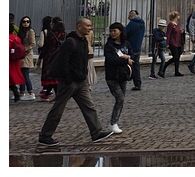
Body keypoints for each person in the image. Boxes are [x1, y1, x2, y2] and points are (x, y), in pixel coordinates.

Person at [37, 18, 114, 146]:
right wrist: (68, 79)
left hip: (81, 81)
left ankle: (96, 132)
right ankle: (45, 136)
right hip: (69, 82)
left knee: (89, 107)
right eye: (88, 25)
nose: (91, 28)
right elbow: (63, 62)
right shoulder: (70, 42)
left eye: (91, 25)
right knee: (58, 110)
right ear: (79, 26)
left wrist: (83, 76)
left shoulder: (83, 41)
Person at [103, 22, 134, 135]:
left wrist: (128, 58)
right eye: (111, 31)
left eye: (115, 31)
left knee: (121, 100)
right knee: (120, 98)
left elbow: (132, 56)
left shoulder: (126, 44)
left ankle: (115, 121)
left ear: (120, 31)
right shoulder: (109, 46)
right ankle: (113, 122)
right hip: (112, 76)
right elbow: (111, 60)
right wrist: (124, 59)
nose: (112, 33)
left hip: (123, 75)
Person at [39, 17, 65, 100]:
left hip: (50, 57)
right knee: (55, 77)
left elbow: (45, 47)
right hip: (61, 57)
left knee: (51, 77)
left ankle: (56, 95)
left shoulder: (51, 34)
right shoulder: (65, 34)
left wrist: (40, 58)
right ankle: (47, 93)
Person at [124, 10, 145, 90]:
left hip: (131, 47)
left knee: (126, 64)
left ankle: (123, 80)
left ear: (130, 16)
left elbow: (125, 34)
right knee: (136, 66)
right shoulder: (142, 23)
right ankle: (138, 83)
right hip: (138, 47)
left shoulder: (131, 24)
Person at [17, 16, 37, 100]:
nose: (26, 23)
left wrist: (25, 49)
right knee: (21, 74)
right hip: (20, 55)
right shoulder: (20, 31)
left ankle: (31, 92)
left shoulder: (31, 31)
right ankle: (22, 92)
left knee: (25, 74)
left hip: (27, 55)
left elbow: (33, 43)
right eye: (24, 21)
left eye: (28, 21)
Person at [164, 11, 184, 77]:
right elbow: (168, 33)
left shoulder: (176, 24)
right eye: (178, 16)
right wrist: (167, 43)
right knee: (175, 57)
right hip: (173, 42)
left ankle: (176, 71)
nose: (179, 17)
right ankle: (165, 66)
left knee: (177, 57)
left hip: (178, 42)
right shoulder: (171, 24)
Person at [10, 32, 26, 102]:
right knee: (13, 77)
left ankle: (16, 92)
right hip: (16, 61)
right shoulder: (17, 38)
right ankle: (16, 92)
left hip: (9, 60)